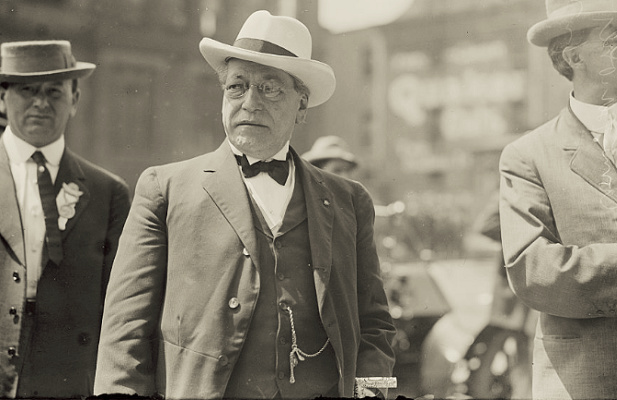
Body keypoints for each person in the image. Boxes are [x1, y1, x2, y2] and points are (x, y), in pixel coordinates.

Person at [94, 10, 396, 399]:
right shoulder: (165, 190)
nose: (250, 103)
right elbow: (125, 330)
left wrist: (372, 390)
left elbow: (373, 319)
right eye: (237, 87)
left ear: (301, 105)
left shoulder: (348, 200)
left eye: (270, 88)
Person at [499, 1, 617, 398]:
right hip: (588, 384)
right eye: (616, 37)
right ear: (573, 56)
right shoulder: (528, 155)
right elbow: (534, 270)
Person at [0, 40, 131, 398]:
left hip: (66, 378)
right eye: (27, 90)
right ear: (1, 97)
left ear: (74, 101)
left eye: (54, 92)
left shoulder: (109, 193)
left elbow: (117, 305)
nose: (41, 102)